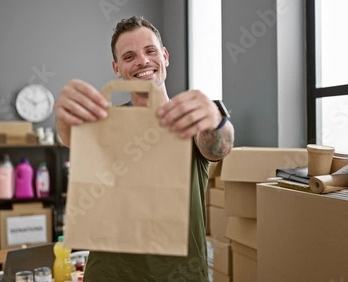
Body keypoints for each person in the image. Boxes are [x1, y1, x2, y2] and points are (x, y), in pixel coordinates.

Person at [54, 16, 234, 281]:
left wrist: (216, 120)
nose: (143, 61)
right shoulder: (107, 123)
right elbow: (70, 138)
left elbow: (219, 148)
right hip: (110, 274)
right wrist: (63, 115)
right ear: (117, 68)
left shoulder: (190, 118)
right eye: (129, 56)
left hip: (179, 274)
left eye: (150, 51)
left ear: (164, 56)